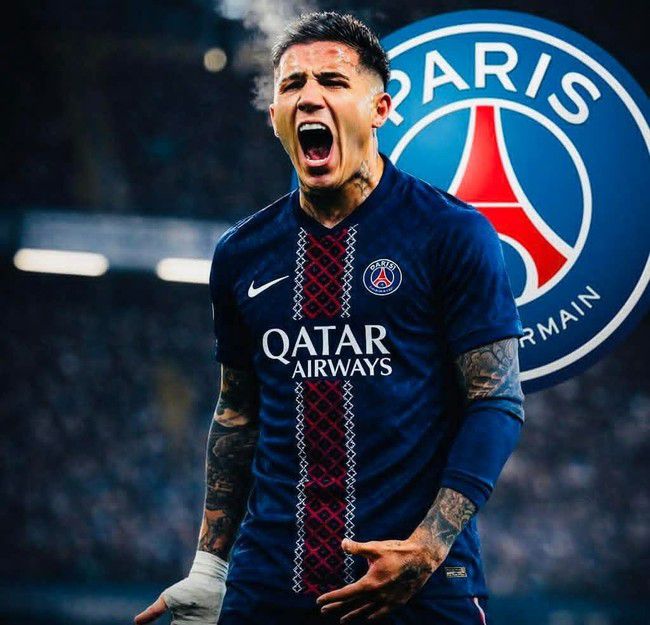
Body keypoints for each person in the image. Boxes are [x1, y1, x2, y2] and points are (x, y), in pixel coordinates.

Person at [135, 11, 524, 625]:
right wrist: (210, 569)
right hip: (267, 586)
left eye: (334, 82)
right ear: (275, 118)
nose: (309, 96)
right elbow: (238, 414)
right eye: (293, 85)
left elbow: (496, 401)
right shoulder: (241, 253)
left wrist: (428, 547)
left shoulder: (452, 233)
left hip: (418, 585)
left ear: (379, 109)